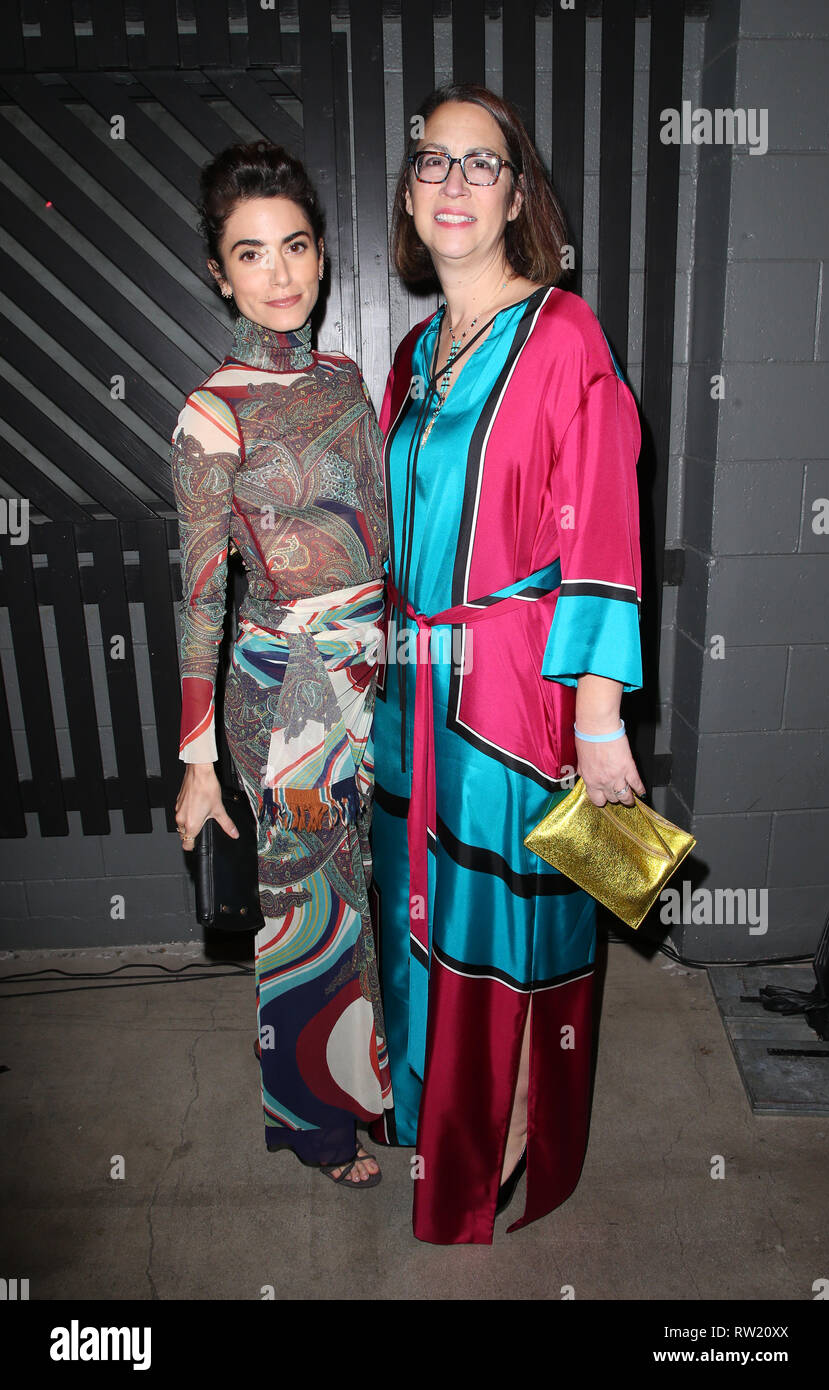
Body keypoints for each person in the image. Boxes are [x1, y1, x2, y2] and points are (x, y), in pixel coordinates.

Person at [368, 84, 646, 1243]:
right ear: (410, 191)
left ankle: (504, 1146)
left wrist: (596, 711)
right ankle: (439, 1121)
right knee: (413, 914)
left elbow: (606, 530)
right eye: (434, 160)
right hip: (409, 694)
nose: (454, 182)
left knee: (511, 930)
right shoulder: (414, 352)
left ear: (519, 195)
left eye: (483, 164)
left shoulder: (566, 334)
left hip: (513, 696)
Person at [171, 141, 392, 1187]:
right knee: (313, 908)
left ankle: (379, 1089)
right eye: (250, 253)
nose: (280, 272)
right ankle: (318, 1128)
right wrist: (200, 760)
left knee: (376, 893)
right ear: (219, 272)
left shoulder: (347, 378)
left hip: (375, 668)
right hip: (287, 688)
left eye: (295, 245)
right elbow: (202, 593)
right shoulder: (212, 411)